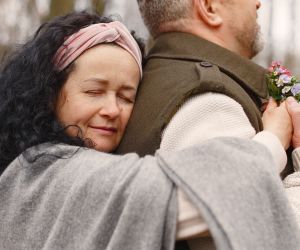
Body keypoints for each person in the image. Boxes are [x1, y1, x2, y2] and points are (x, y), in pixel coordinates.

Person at [0, 10, 299, 250]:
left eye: (127, 97)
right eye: (93, 91)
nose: (112, 109)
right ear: (50, 93)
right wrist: (273, 140)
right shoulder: (45, 170)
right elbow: (195, 203)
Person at [115, 0, 300, 249]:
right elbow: (257, 239)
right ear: (209, 7)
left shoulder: (156, 77)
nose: (257, 3)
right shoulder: (210, 102)